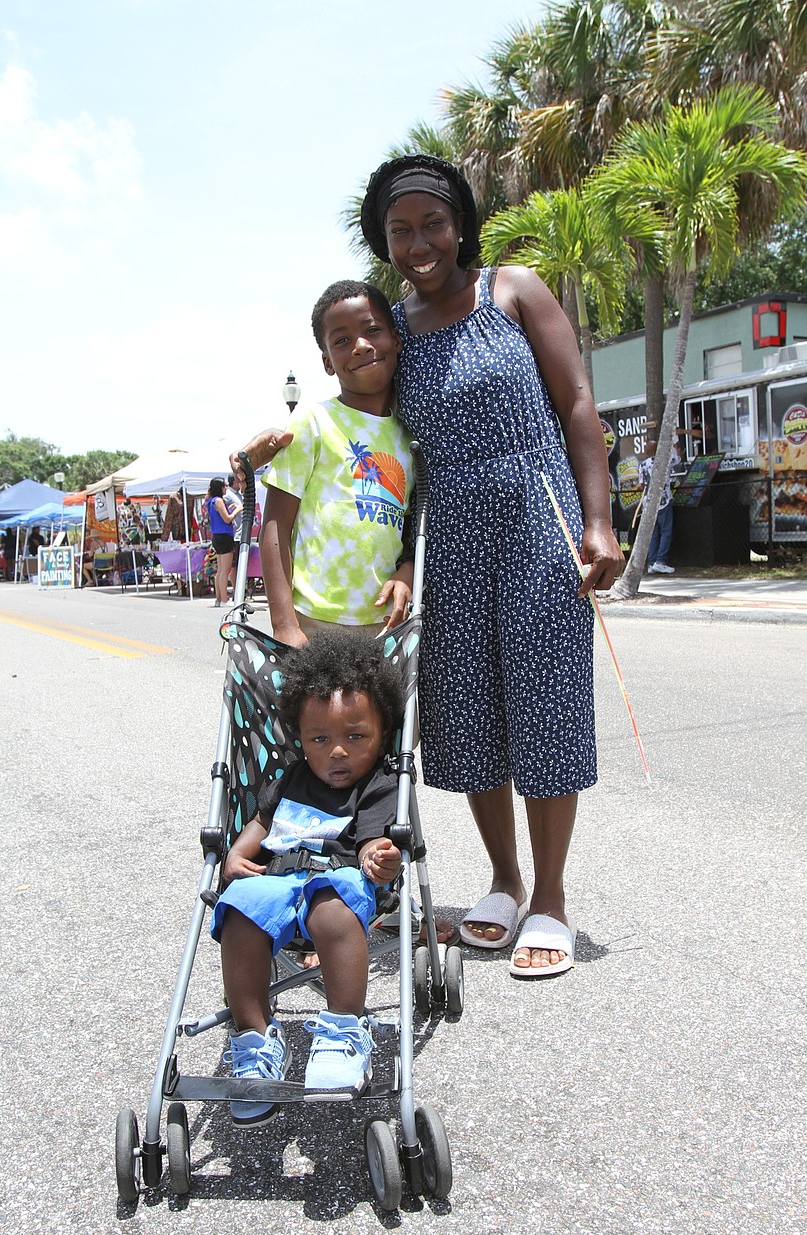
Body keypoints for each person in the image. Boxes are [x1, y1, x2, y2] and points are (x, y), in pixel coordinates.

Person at [236, 156, 624, 978]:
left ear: (460, 225)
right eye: (400, 229)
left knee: (546, 705)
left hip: (535, 511)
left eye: (433, 224)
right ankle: (504, 881)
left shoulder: (513, 291)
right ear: (384, 240)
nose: (419, 242)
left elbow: (579, 402)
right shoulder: (393, 331)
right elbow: (361, 430)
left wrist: (599, 519)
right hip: (444, 533)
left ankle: (550, 896)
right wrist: (277, 441)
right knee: (472, 712)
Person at [210, 628, 404, 1125]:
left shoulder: (378, 783)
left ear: (383, 734)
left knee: (333, 910)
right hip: (276, 879)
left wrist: (377, 859)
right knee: (239, 912)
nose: (337, 752)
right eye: (320, 739)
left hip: (341, 878)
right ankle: (254, 1039)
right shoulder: (292, 777)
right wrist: (235, 857)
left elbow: (372, 841)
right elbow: (261, 824)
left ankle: (342, 1028)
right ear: (301, 740)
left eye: (355, 737)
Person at [261, 279, 415, 646]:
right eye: (342, 340)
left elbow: (409, 532)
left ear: (396, 339)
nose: (360, 346)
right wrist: (285, 625)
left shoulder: (410, 437)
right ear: (328, 362)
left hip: (385, 628)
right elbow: (275, 526)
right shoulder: (312, 423)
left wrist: (407, 572)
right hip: (312, 623)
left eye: (372, 330)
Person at [639, 439, 677, 574]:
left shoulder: (643, 464)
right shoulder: (665, 461)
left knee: (653, 533)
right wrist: (674, 443)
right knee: (666, 531)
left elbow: (642, 485)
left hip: (649, 503)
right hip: (664, 500)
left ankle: (651, 562)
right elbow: (678, 458)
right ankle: (660, 561)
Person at [204, 477, 239, 607]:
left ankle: (219, 599)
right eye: (224, 486)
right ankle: (224, 599)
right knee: (225, 570)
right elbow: (227, 519)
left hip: (217, 536)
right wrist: (238, 509)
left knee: (220, 570)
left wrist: (230, 508)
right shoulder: (218, 500)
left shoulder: (212, 501)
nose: (226, 488)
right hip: (224, 536)